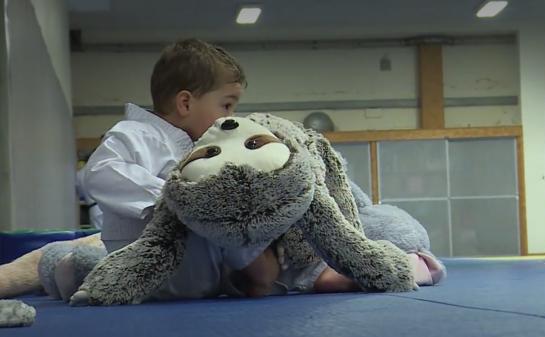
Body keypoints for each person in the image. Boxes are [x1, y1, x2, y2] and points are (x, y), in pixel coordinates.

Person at [80, 38, 357, 300]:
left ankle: (308, 273)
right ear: (185, 103)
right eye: (226, 105)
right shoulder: (137, 134)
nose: (230, 118)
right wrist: (176, 199)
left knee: (245, 217)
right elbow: (101, 173)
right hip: (143, 268)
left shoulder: (210, 151)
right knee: (230, 230)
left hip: (206, 280)